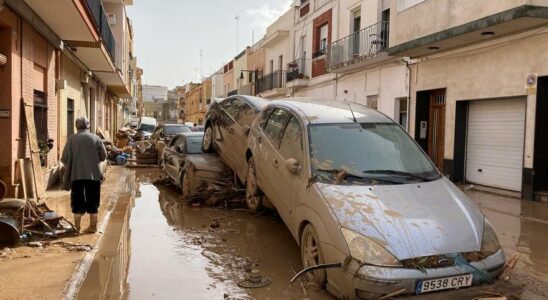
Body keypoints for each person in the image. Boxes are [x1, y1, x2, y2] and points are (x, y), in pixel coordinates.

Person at [61, 117, 107, 233]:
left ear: (76, 126)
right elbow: (103, 156)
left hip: (76, 176)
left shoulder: (72, 139)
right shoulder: (96, 138)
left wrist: (75, 163)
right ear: (88, 126)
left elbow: (64, 158)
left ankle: (77, 228)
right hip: (94, 176)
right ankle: (93, 227)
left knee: (77, 201)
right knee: (93, 201)